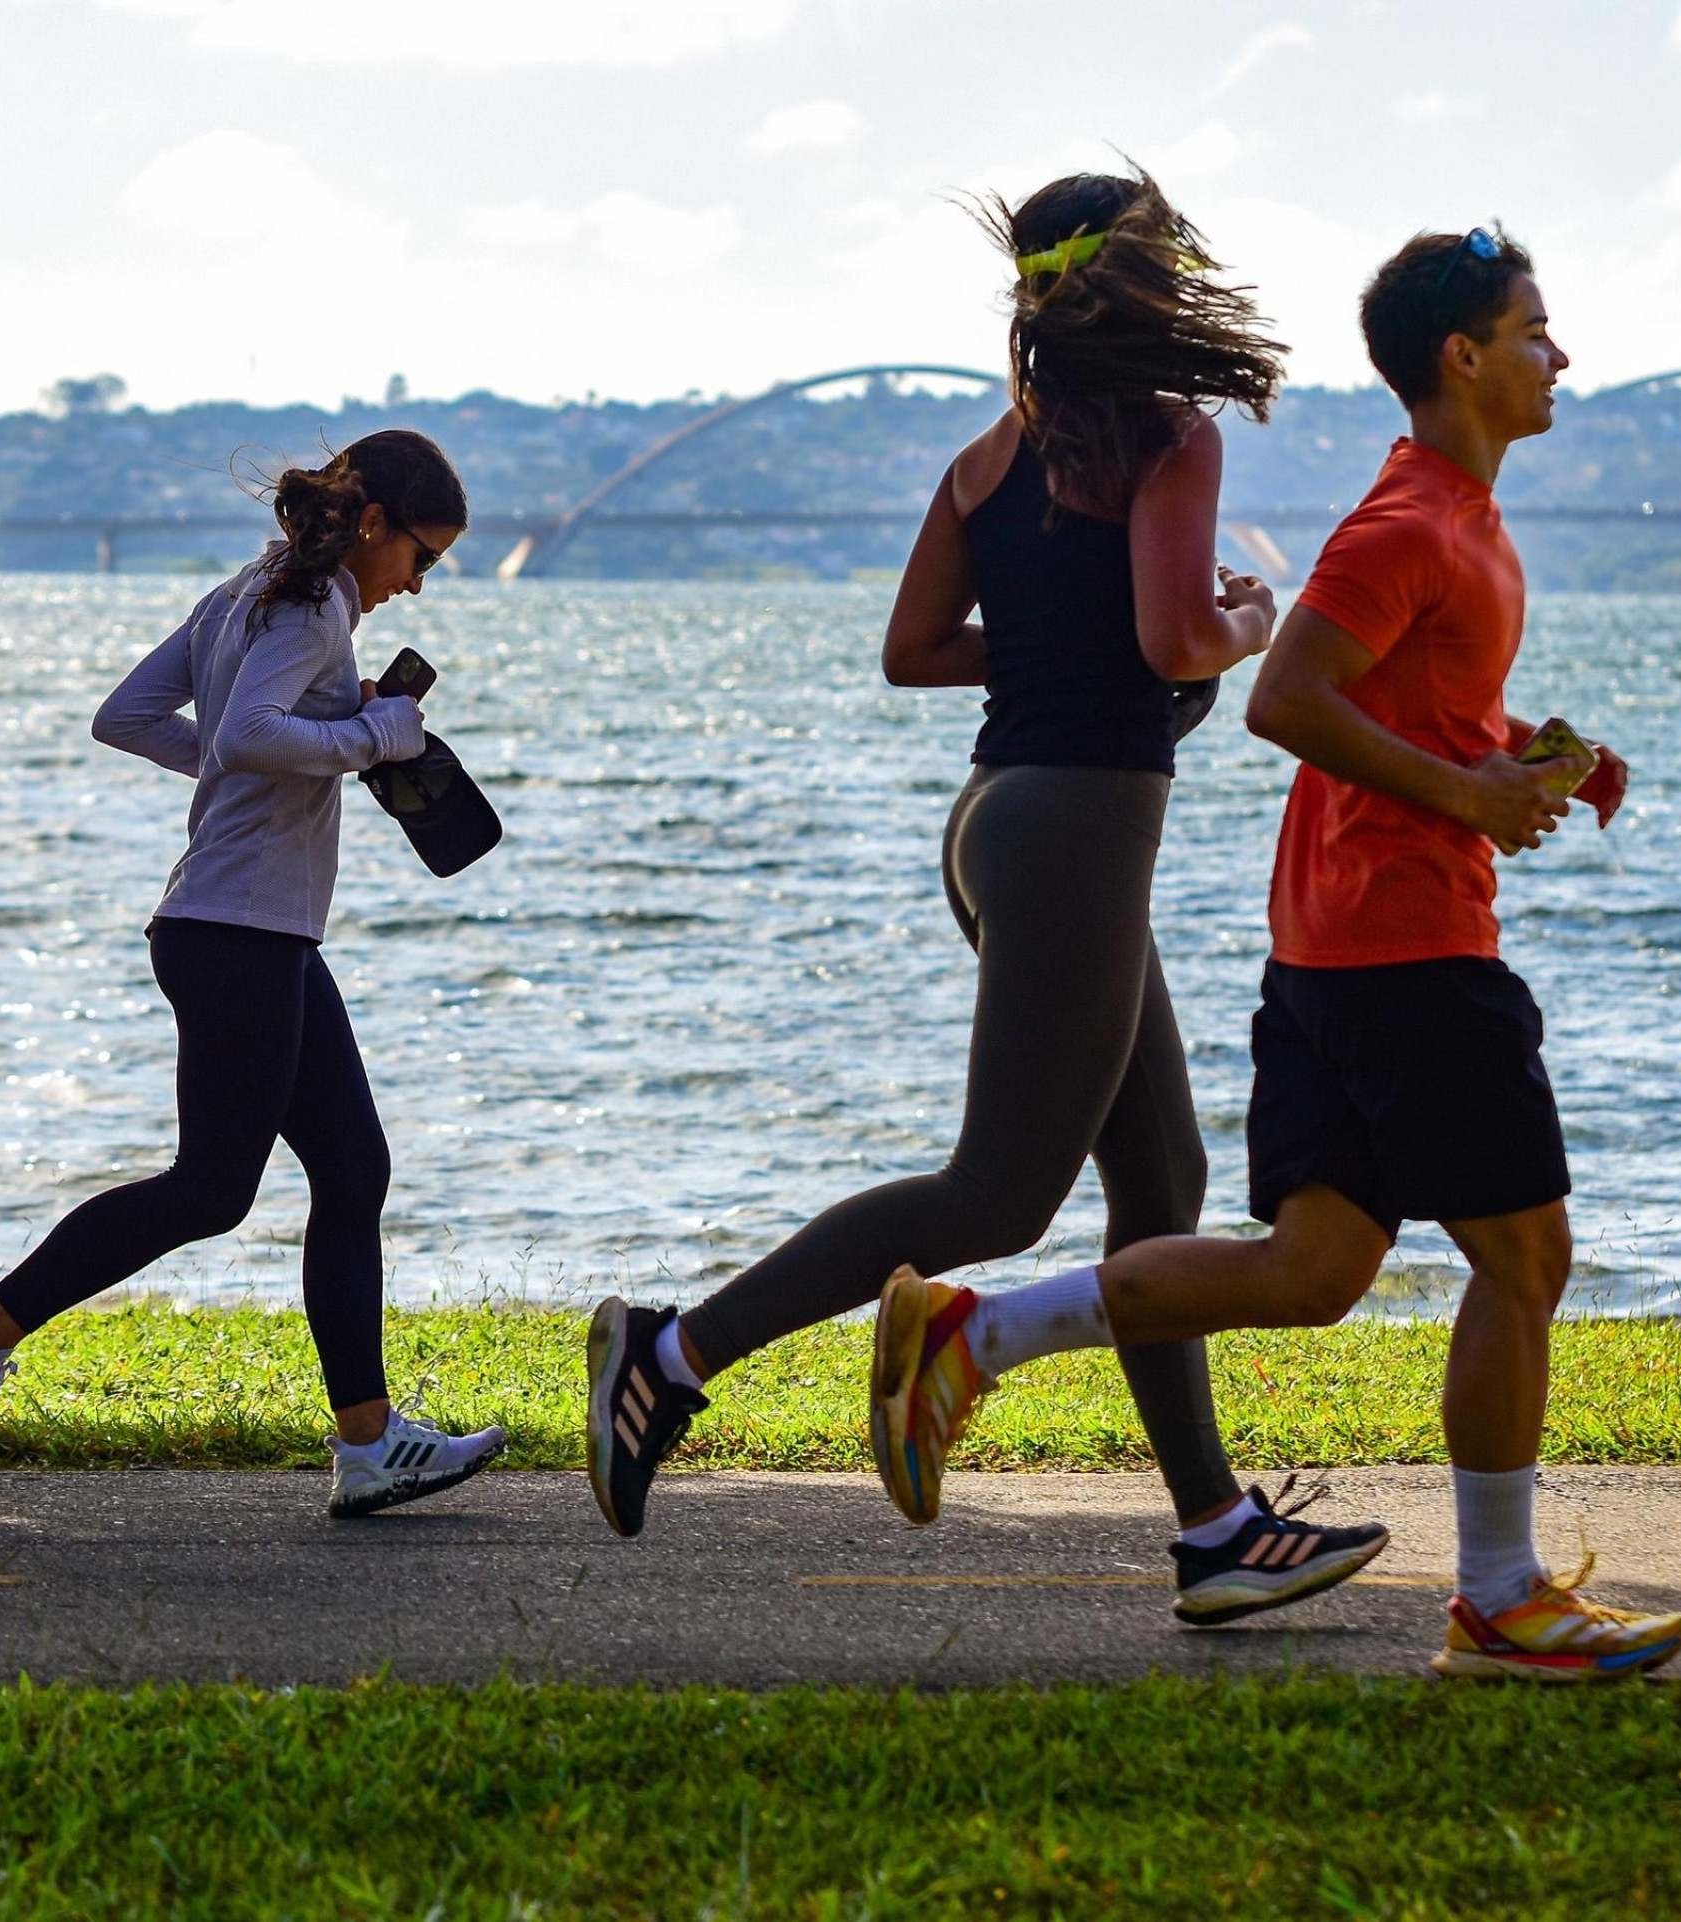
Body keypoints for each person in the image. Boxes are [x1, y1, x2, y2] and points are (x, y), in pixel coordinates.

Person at [872, 227, 1681, 1682]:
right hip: (1407, 946)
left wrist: (1526, 753)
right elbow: (1287, 700)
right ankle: (1501, 1594)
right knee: (1528, 1254)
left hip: (1336, 948)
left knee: (1313, 1268)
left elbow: (1406, 705)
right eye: (1534, 331)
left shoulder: (1461, 521)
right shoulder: (1409, 526)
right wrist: (1470, 797)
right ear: (1464, 357)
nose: (1558, 356)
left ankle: (974, 1336)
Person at [585, 169, 1390, 1625]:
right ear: (1144, 282)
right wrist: (1244, 623)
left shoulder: (987, 457)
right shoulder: (1170, 440)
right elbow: (1166, 641)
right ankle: (672, 1352)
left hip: (998, 820)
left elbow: (912, 649)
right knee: (998, 1193)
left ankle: (1214, 1524)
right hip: (1077, 825)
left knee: (1164, 1185)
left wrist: (1046, 647)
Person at [0, 430, 506, 1518]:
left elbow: (132, 719)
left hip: (245, 924)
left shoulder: (245, 593)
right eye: (423, 555)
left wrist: (295, 743)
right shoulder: (309, 604)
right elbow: (250, 732)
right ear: (374, 523)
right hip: (237, 930)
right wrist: (372, 731)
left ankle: (369, 1442)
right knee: (211, 1188)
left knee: (354, 1168)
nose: (419, 582)